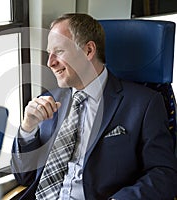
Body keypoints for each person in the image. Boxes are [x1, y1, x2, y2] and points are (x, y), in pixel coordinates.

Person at [10, 13, 177, 200]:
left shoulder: (144, 104)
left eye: (59, 51)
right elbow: (24, 176)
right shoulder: (47, 101)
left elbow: (164, 174)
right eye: (49, 53)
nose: (50, 63)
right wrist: (27, 129)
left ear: (89, 51)